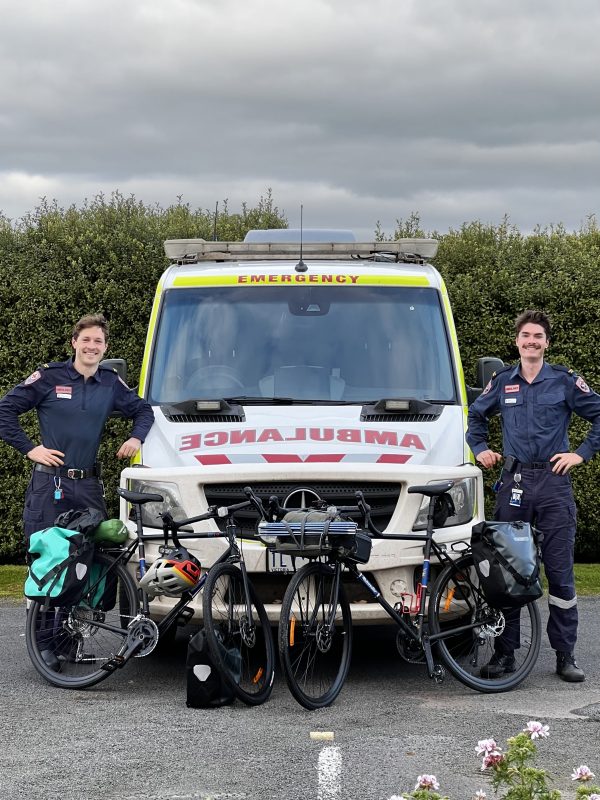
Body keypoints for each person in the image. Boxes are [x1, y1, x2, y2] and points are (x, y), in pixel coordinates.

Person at [466, 309, 600, 683]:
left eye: (537, 337)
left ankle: (566, 654)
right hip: (514, 483)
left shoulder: (564, 381)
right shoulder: (503, 381)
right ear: (517, 341)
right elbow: (475, 417)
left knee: (559, 573)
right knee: (508, 572)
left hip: (554, 485)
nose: (531, 342)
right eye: (525, 336)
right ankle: (505, 653)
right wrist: (480, 449)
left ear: (546, 343)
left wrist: (581, 453)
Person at [0, 313, 154, 540]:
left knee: (97, 556)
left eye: (98, 341)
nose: (91, 346)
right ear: (74, 342)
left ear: (105, 347)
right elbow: (4, 410)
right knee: (45, 552)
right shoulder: (49, 376)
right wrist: (30, 449)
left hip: (88, 486)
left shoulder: (110, 382)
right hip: (50, 484)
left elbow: (143, 410)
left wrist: (135, 438)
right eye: (86, 340)